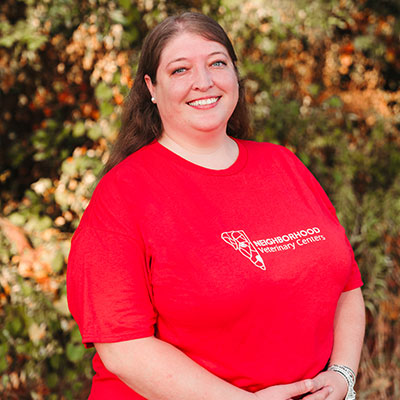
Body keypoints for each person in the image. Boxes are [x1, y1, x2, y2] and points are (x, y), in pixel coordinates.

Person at [67, 11, 365, 400]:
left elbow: (346, 285)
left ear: (234, 75)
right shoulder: (122, 196)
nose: (203, 82)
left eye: (217, 63)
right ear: (151, 87)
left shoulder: (282, 165)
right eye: (179, 70)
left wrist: (343, 376)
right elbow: (124, 348)